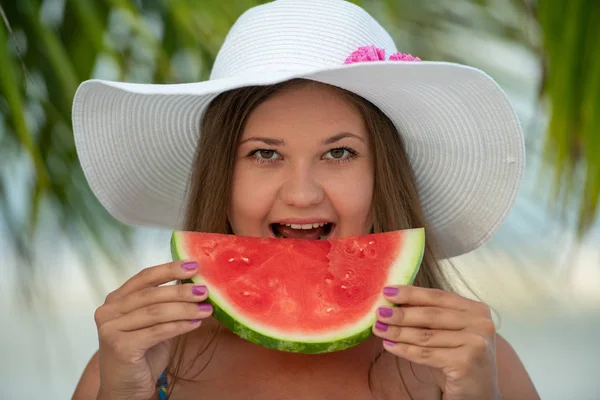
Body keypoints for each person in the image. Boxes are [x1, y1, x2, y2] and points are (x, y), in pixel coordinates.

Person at [71, 0, 540, 399]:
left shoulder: (479, 362)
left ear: (384, 177)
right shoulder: (137, 365)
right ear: (222, 178)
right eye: (264, 153)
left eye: (339, 153)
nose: (301, 194)